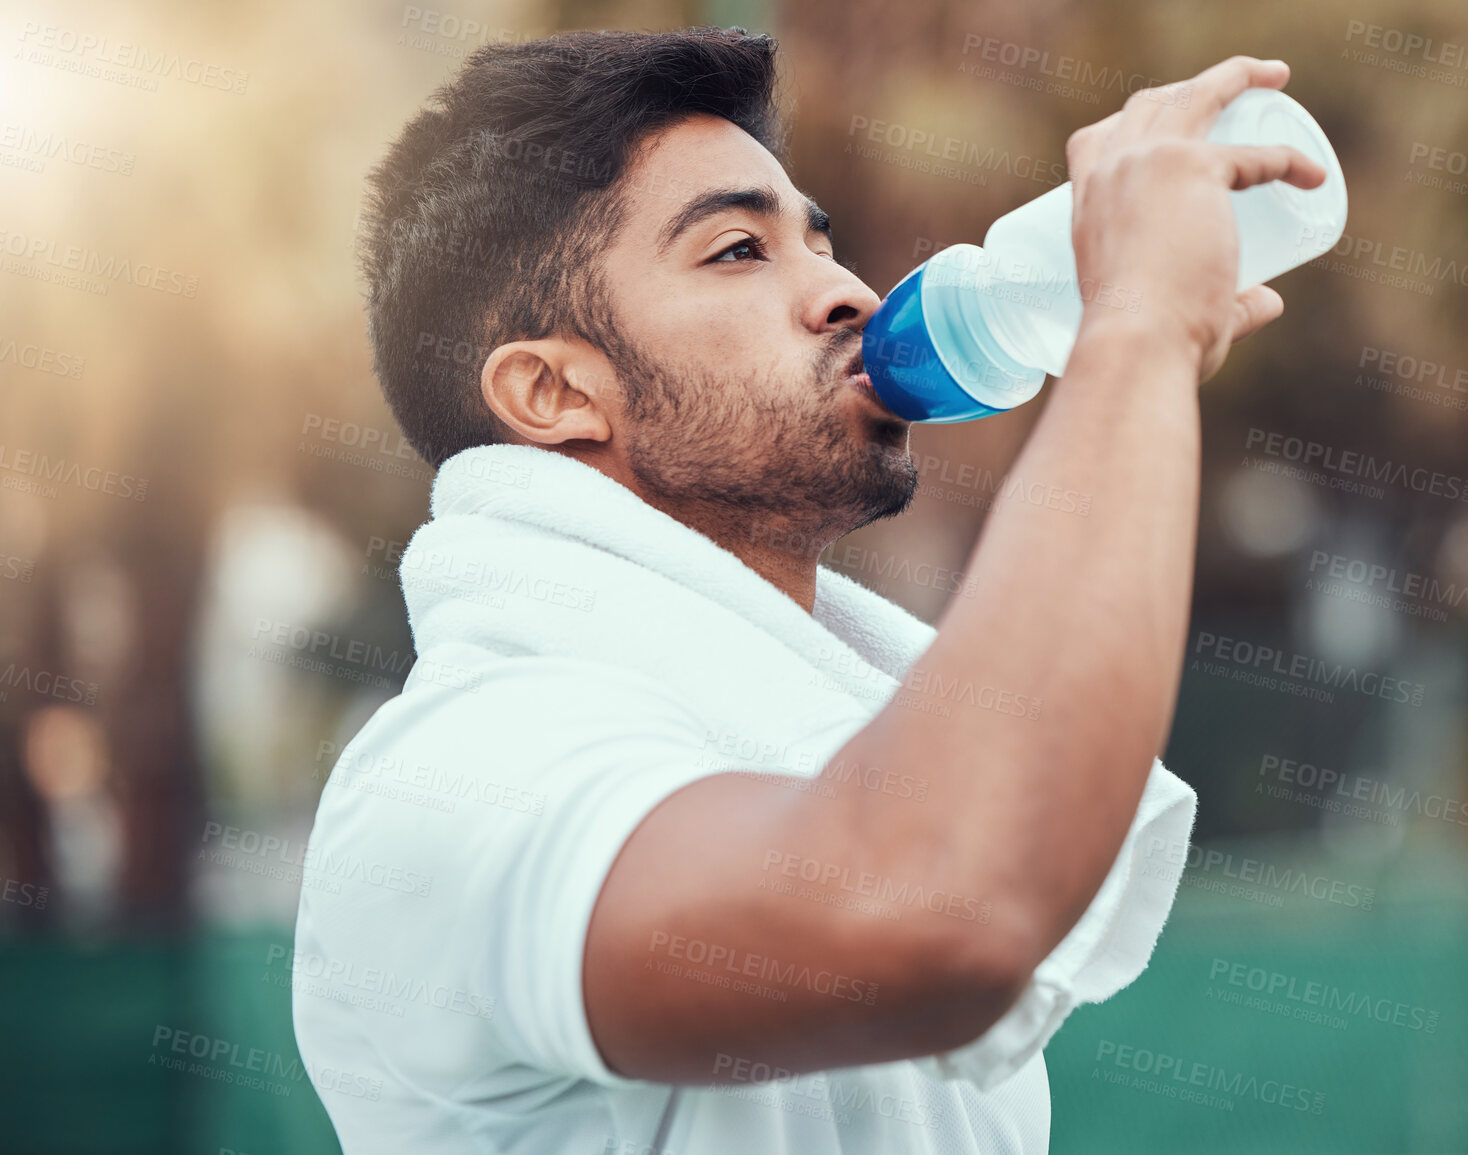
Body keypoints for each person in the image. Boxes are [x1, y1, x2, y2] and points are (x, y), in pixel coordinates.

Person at [291, 25, 1323, 1154]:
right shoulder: (461, 773)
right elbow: (935, 910)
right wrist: (1134, 331)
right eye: (739, 250)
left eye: (818, 242)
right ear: (548, 390)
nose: (845, 292)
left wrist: (1144, 337)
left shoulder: (826, 743)